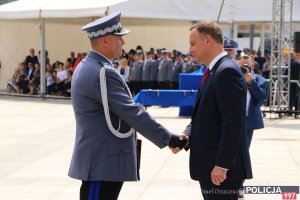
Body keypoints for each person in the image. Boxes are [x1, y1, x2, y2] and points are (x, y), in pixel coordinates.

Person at [68, 12, 187, 200]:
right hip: (102, 162)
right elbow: (132, 112)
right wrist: (169, 138)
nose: (123, 43)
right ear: (105, 41)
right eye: (119, 38)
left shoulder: (89, 66)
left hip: (100, 160)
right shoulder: (102, 72)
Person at [172, 21, 252, 200]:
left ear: (207, 40)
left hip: (222, 172)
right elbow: (205, 116)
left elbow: (233, 123)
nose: (190, 49)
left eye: (193, 43)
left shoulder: (227, 72)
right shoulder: (214, 70)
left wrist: (222, 165)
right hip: (210, 167)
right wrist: (187, 135)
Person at [237, 55, 267, 198]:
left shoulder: (259, 79)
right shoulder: (233, 78)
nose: (242, 69)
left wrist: (251, 82)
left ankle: (239, 185)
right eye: (240, 66)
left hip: (248, 123)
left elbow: (261, 97)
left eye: (245, 66)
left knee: (243, 153)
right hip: (232, 122)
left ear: (252, 67)